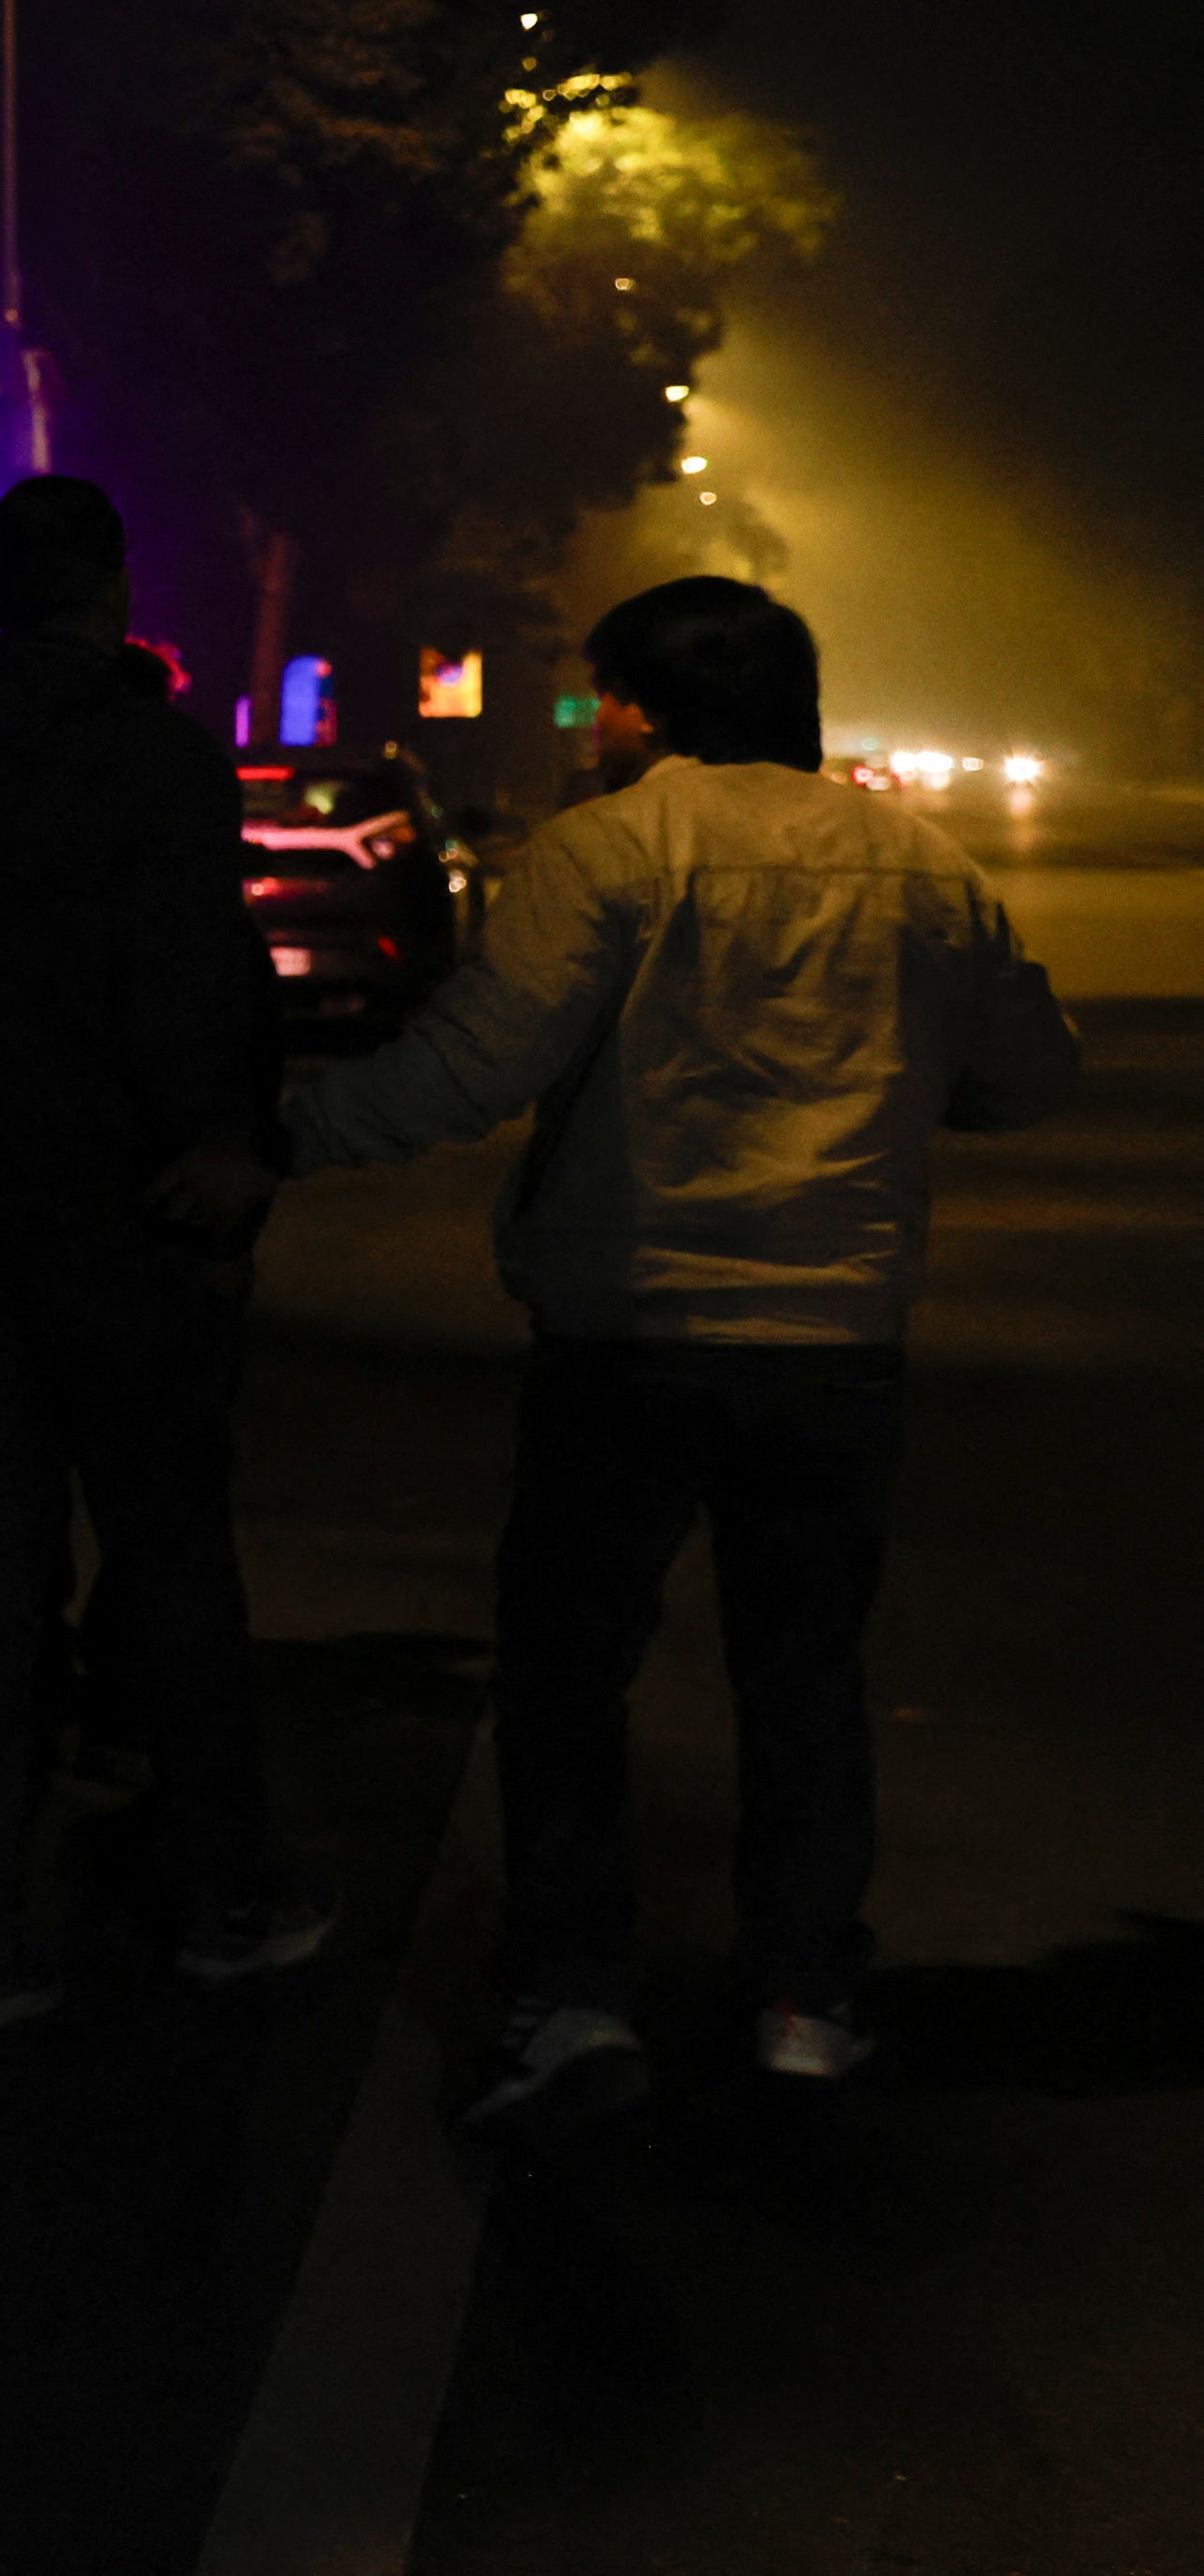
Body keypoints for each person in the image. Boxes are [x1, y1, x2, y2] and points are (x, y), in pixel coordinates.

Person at [180, 576, 1080, 2130]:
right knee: (803, 1676)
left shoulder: (608, 849)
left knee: (568, 1677)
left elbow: (477, 1063)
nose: (597, 734)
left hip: (632, 1336)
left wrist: (284, 1142)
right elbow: (1028, 1078)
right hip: (836, 1343)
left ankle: (572, 2000)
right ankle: (807, 1992)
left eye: (607, 706)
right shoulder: (921, 868)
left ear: (651, 713)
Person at [0, 473, 329, 2045]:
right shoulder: (156, 752)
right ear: (109, 583)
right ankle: (221, 1898)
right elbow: (187, 969)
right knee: (171, 1557)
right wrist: (226, 1146)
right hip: (127, 1216)